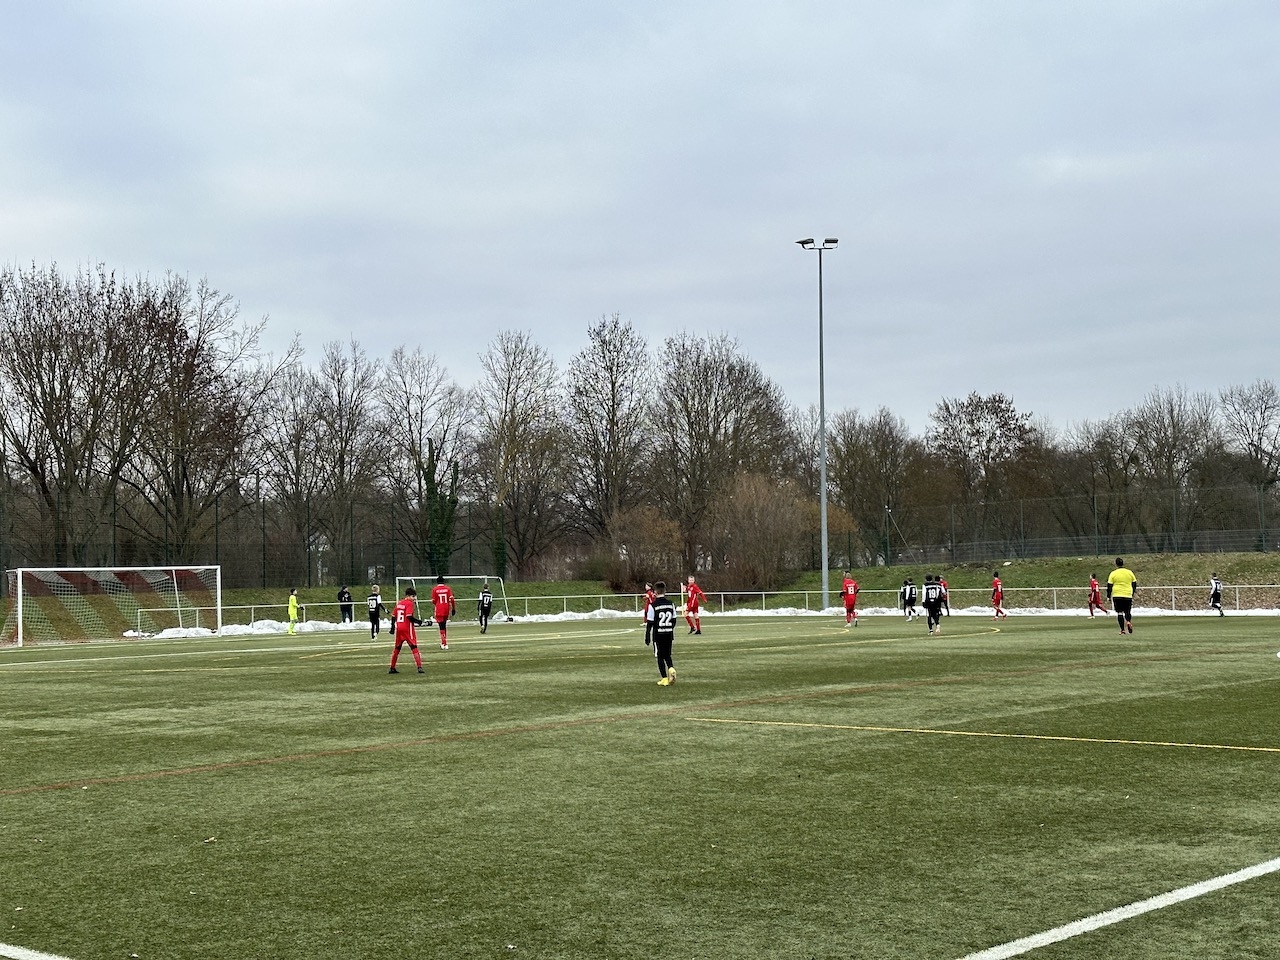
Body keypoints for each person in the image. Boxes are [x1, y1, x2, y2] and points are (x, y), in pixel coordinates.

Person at [388, 586, 425, 674]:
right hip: (407, 628)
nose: (414, 598)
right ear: (408, 596)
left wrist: (392, 628)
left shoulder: (399, 603)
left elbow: (393, 616)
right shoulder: (409, 603)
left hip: (399, 628)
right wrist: (418, 621)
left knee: (397, 648)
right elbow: (408, 616)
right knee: (414, 647)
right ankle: (419, 667)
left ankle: (392, 668)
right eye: (413, 596)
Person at [646, 580, 677, 686]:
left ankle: (664, 678)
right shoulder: (671, 604)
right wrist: (669, 628)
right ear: (665, 591)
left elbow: (650, 622)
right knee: (667, 655)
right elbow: (674, 620)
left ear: (655, 592)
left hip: (658, 634)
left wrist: (647, 636)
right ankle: (671, 669)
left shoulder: (653, 605)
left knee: (659, 656)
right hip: (669, 633)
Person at [1106, 557, 1138, 635]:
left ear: (1116, 564)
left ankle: (1122, 630)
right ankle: (1128, 621)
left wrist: (1108, 596)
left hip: (1117, 595)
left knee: (1119, 612)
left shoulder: (1113, 573)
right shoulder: (1129, 572)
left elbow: (1109, 585)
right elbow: (1134, 583)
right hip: (1127, 594)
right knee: (1127, 611)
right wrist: (1132, 592)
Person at [431, 574, 457, 650]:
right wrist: (453, 608)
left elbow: (433, 601)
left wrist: (438, 604)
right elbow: (452, 599)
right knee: (444, 625)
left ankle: (444, 643)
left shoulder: (435, 589)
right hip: (446, 609)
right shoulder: (448, 589)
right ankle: (444, 642)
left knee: (441, 626)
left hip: (439, 609)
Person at [641, 581, 656, 646]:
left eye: (646, 586)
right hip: (652, 606)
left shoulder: (649, 592)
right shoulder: (651, 592)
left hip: (650, 606)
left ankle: (647, 640)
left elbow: (647, 597)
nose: (645, 587)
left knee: (646, 613)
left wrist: (643, 597)